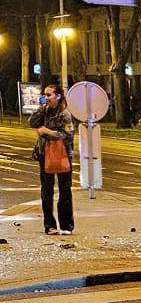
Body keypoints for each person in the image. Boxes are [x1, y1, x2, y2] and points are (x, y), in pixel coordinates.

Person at [30, 79, 75, 236]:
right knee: (47, 191)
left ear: (58, 96)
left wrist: (47, 132)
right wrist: (41, 108)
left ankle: (66, 225)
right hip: (45, 155)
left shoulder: (65, 114)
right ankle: (49, 225)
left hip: (63, 156)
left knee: (65, 191)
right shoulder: (45, 111)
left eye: (49, 95)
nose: (46, 97)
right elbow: (32, 123)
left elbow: (67, 135)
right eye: (45, 95)